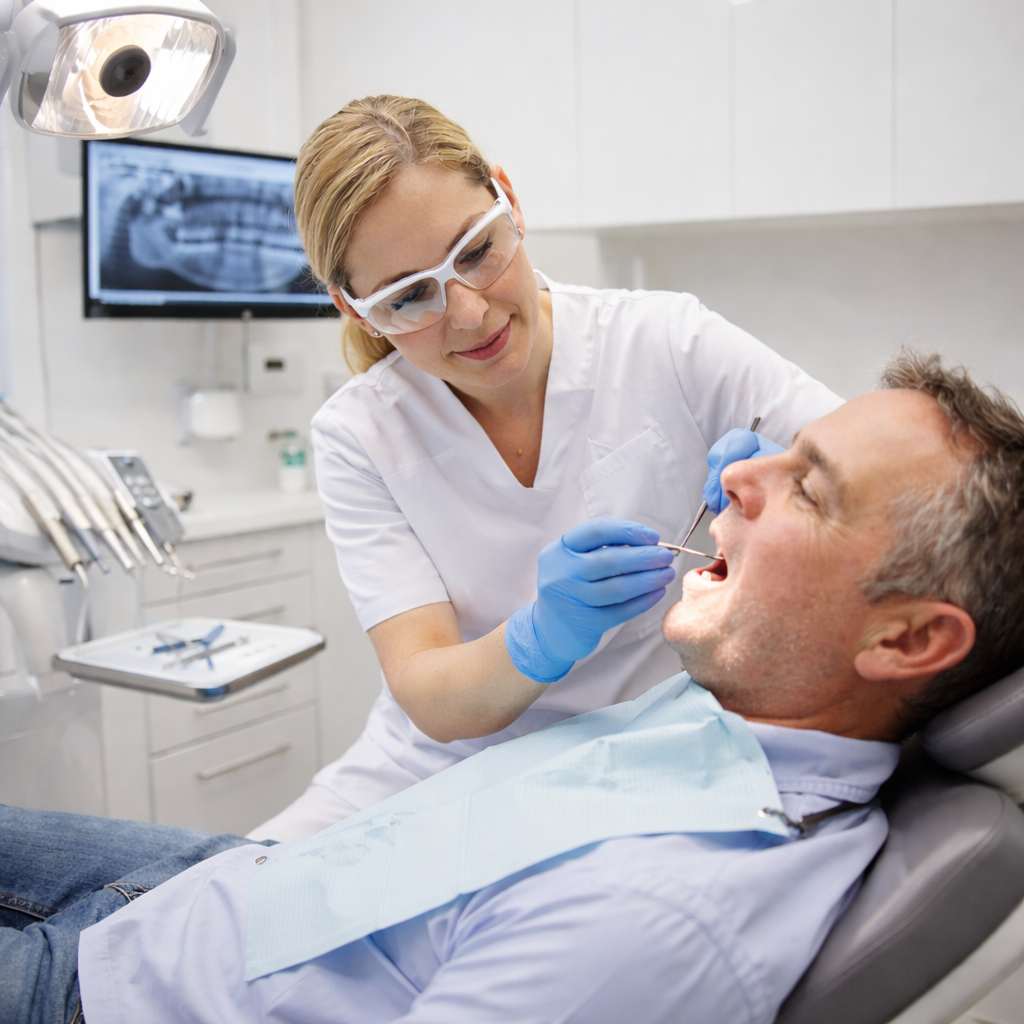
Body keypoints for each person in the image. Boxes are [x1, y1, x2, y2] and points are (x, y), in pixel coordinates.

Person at [4, 352, 1023, 1024]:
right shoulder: (757, 709)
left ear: (909, 639)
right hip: (236, 888)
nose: (735, 479)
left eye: (805, 484)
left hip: (131, 993)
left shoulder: (657, 910)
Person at [255, 95, 842, 839]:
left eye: (476, 251)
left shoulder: (665, 339)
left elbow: (883, 474)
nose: (470, 313)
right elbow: (430, 695)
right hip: (435, 769)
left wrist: (795, 481)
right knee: (224, 889)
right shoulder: (360, 435)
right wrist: (539, 636)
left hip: (646, 743)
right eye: (410, 297)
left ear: (509, 200)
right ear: (355, 308)